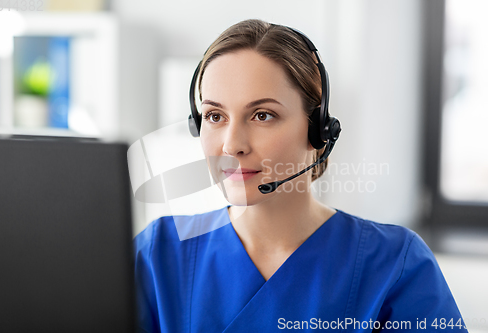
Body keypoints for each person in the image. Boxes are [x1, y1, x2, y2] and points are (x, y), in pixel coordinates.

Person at [133, 19, 467, 332]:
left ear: (318, 130)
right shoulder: (155, 255)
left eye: (262, 115)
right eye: (214, 115)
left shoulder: (396, 266)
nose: (232, 145)